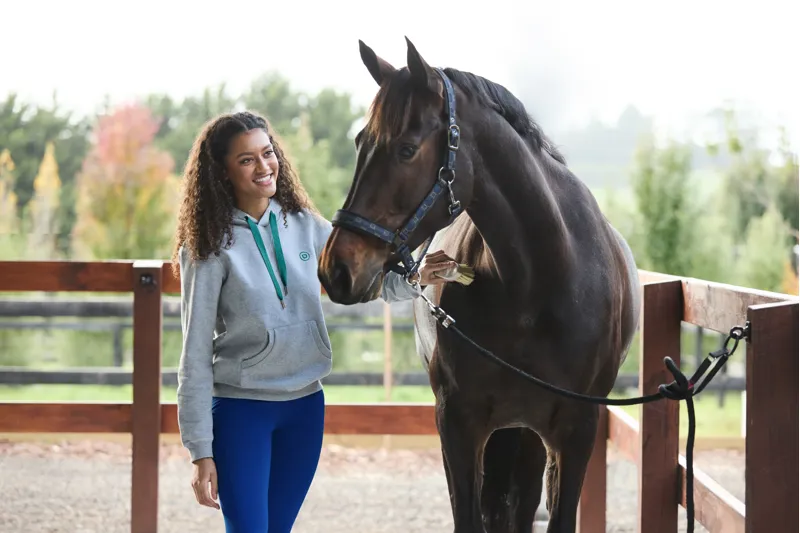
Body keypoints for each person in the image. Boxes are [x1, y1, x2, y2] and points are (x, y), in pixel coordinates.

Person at [170, 110, 457, 533]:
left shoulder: (305, 224)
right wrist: (199, 450)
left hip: (305, 408)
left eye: (268, 153)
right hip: (240, 411)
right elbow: (193, 351)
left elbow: (364, 280)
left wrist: (416, 278)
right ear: (222, 172)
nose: (264, 166)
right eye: (246, 159)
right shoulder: (207, 247)